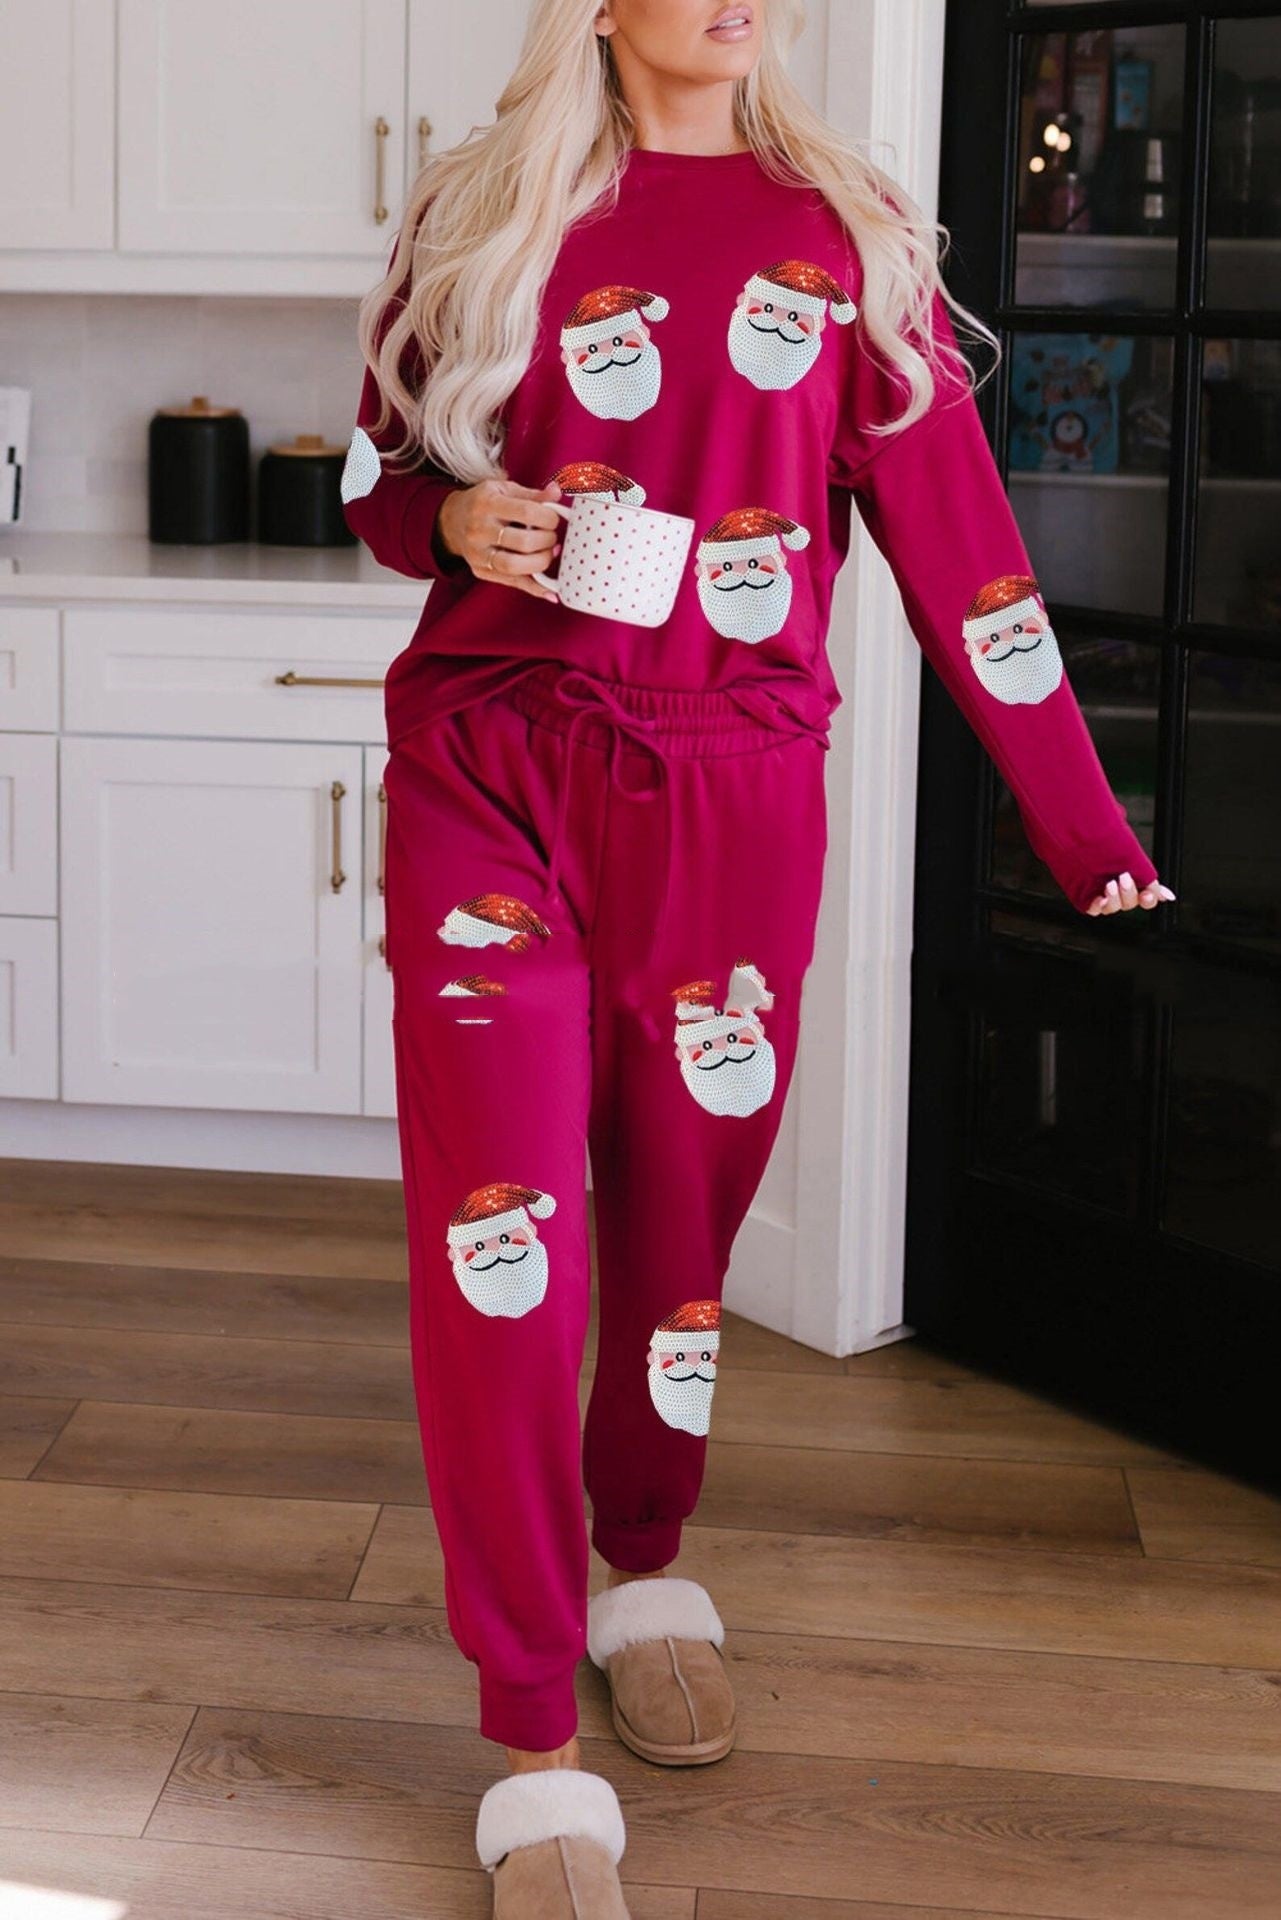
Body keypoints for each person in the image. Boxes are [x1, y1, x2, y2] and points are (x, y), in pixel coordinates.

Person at [341, 3, 1175, 1913]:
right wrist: (457, 516)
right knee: (503, 1246)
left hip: (728, 792)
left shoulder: (851, 229)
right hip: (488, 773)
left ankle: (646, 1562)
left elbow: (964, 553)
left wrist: (1078, 822)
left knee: (675, 1231)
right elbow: (385, 488)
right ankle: (533, 1730)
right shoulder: (476, 210)